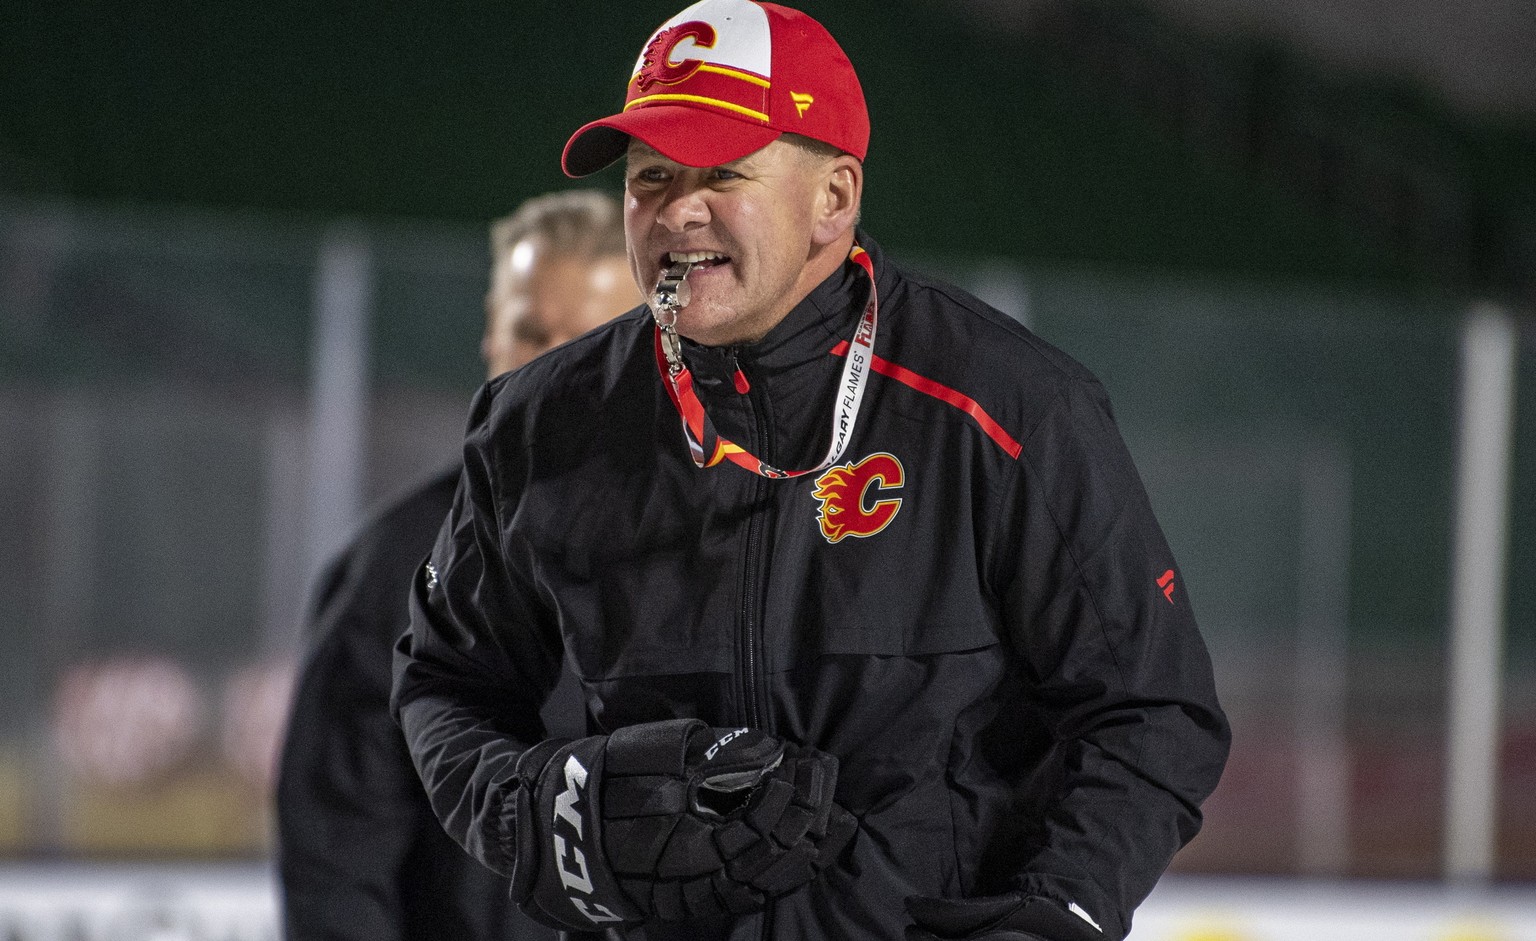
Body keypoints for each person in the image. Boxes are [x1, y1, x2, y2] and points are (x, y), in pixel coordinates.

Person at [392, 2, 1231, 940]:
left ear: (834, 197)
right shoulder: (543, 425)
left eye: (721, 174)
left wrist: (1056, 910)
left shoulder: (1006, 408)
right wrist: (538, 812)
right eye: (651, 177)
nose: (675, 211)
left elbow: (1154, 710)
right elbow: (443, 686)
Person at [277, 189, 641, 941]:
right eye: (529, 333)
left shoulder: (717, 551)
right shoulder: (397, 567)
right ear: (489, 337)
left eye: (588, 342)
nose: (551, 369)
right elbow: (336, 862)